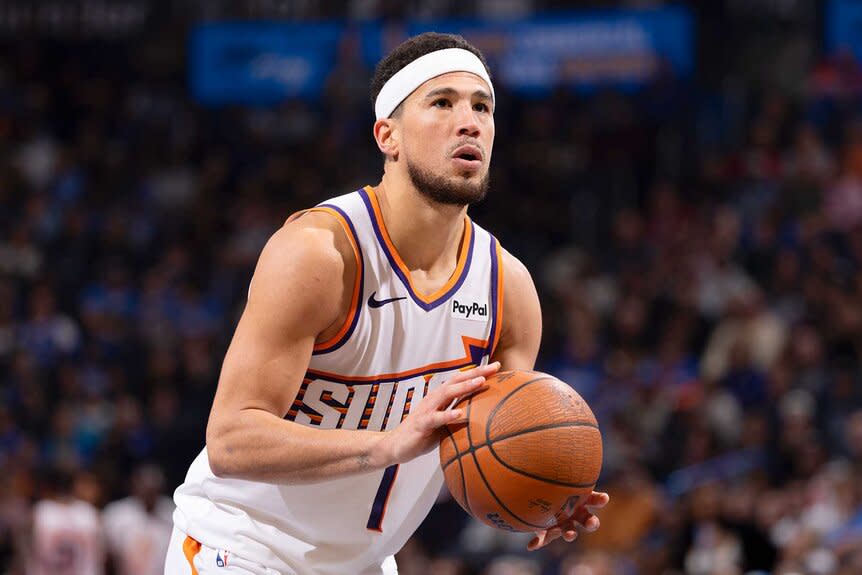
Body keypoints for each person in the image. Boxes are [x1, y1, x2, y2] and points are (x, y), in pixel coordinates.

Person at [165, 32, 609, 575]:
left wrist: (544, 494)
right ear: (387, 135)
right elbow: (230, 440)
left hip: (366, 564)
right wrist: (386, 444)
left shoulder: (508, 288)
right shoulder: (320, 255)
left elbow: (495, 446)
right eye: (441, 102)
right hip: (242, 545)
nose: (468, 121)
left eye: (482, 106)